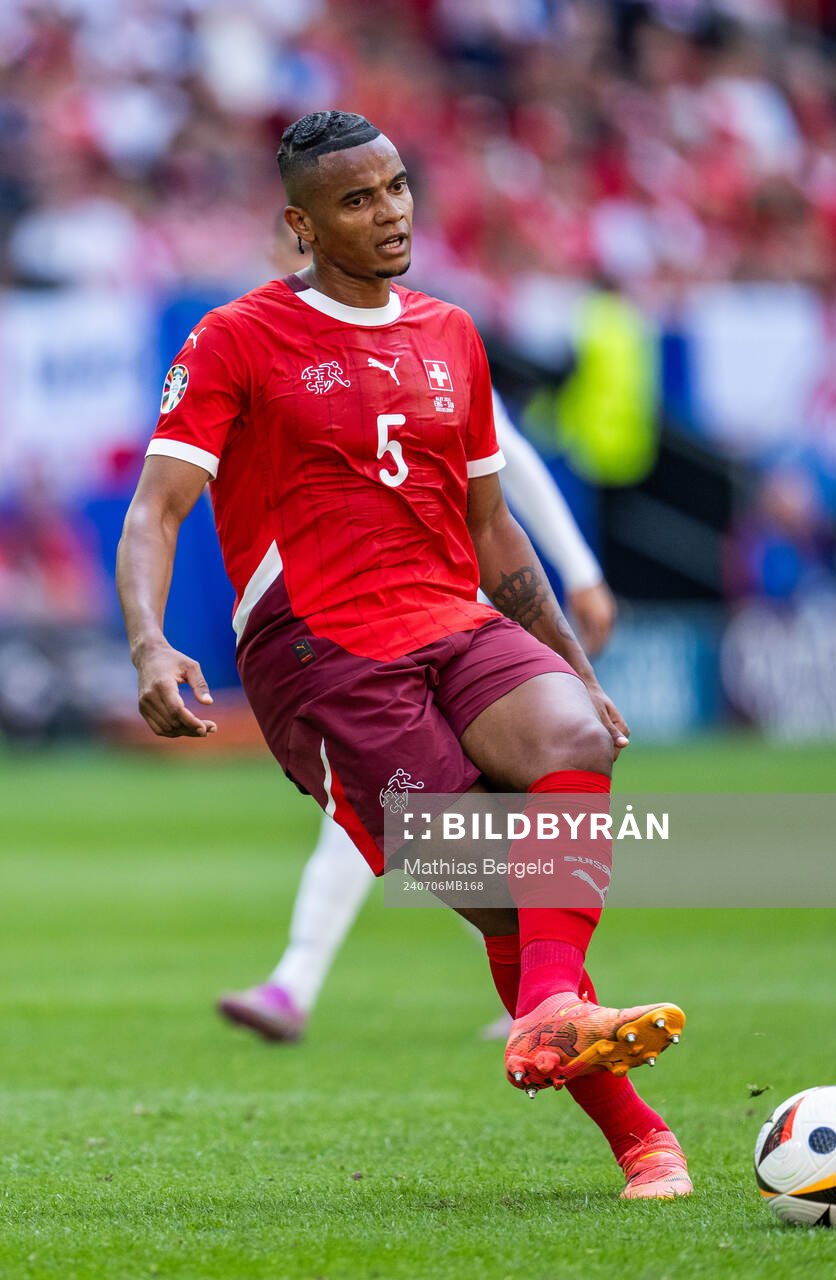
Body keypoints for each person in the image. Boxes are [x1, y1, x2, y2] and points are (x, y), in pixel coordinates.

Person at [116, 109, 690, 1200]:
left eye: (395, 188)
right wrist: (150, 641)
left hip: (450, 615)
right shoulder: (235, 338)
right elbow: (156, 510)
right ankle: (637, 1131)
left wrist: (577, 662)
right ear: (301, 222)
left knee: (572, 737)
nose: (388, 213)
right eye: (356, 199)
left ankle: (559, 1025)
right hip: (320, 654)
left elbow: (494, 527)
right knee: (512, 897)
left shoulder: (450, 332)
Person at [217, 388, 617, 1044]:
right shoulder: (285, 352)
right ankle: (549, 991)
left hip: (453, 604)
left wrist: (579, 571)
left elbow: (508, 460)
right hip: (372, 619)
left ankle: (301, 981)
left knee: (420, 815)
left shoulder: (425, 340)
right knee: (420, 819)